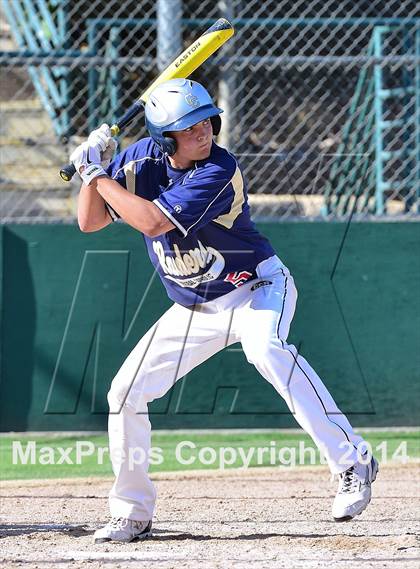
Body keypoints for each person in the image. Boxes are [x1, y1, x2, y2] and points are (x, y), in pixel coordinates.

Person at [70, 78, 378, 544]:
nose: (202, 132)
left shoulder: (218, 169)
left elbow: (152, 222)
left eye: (205, 121)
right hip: (195, 307)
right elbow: (90, 221)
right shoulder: (139, 161)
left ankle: (353, 461)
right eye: (187, 127)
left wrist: (96, 175)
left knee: (267, 350)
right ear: (163, 136)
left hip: (256, 286)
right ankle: (132, 512)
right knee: (125, 392)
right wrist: (93, 165)